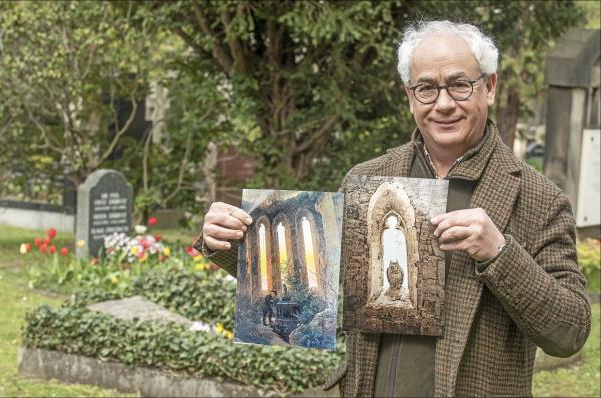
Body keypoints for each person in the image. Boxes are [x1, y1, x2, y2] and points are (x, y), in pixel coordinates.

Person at [193, 20, 591, 397]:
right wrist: (234, 241)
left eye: (459, 85)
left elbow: (569, 332)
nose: (444, 103)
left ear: (488, 87)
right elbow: (316, 290)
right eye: (426, 88)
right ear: (409, 96)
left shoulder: (539, 197)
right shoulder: (368, 179)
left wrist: (498, 252)